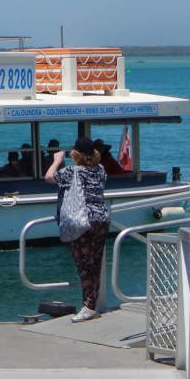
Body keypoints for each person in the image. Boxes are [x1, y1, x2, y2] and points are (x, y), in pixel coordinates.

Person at [45, 137, 109, 323]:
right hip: (101, 220)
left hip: (82, 221)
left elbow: (49, 177)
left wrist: (56, 161)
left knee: (84, 266)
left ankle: (88, 307)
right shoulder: (101, 170)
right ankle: (91, 305)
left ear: (76, 154)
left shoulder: (73, 171)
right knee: (95, 264)